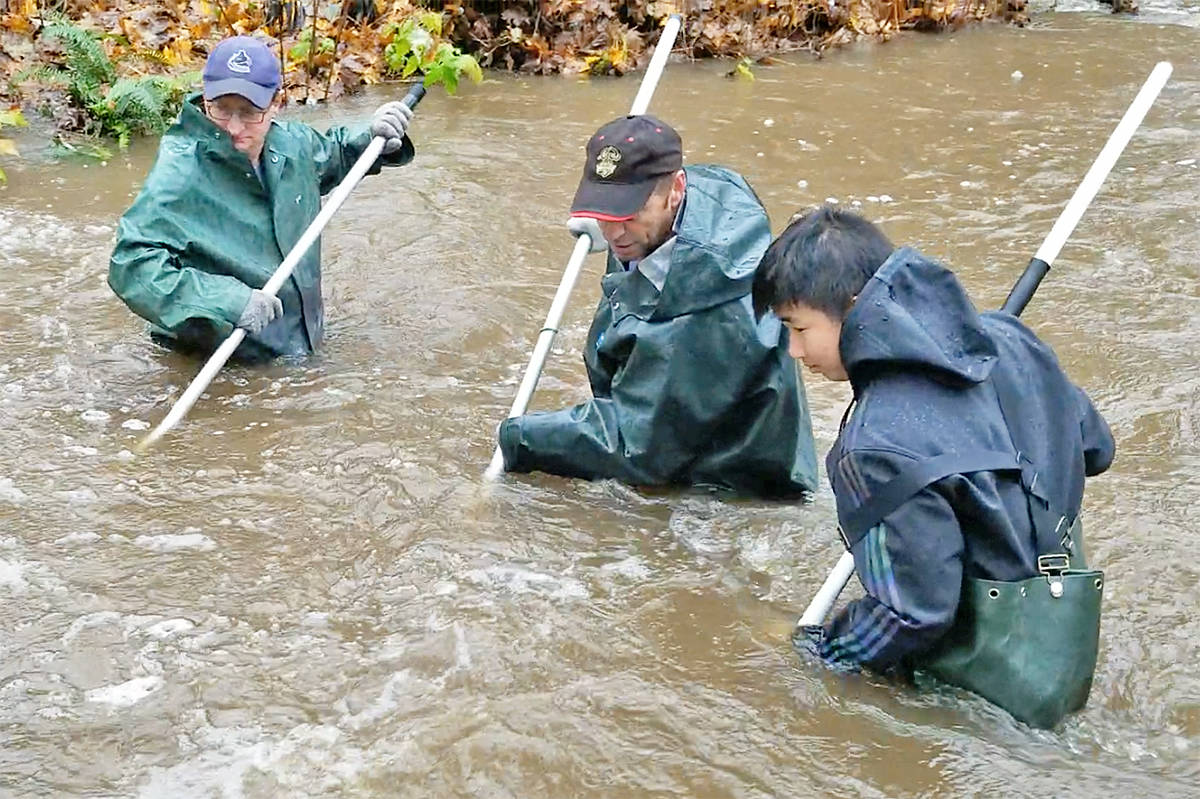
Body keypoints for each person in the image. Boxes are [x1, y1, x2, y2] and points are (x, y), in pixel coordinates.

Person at [752, 206, 1115, 721]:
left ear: (854, 306)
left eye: (798, 327)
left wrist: (819, 651)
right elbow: (1097, 448)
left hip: (985, 683)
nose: (793, 350)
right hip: (1065, 628)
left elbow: (911, 614)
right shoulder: (1008, 342)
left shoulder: (871, 446)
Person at [496, 114, 818, 497]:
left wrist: (518, 438)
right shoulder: (676, 214)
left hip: (735, 490)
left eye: (628, 214)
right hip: (688, 434)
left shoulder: (709, 310)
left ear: (676, 189)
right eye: (603, 210)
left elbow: (641, 448)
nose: (612, 231)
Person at [109, 35, 416, 361]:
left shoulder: (294, 145)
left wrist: (372, 138)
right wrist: (227, 300)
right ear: (205, 99)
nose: (234, 128)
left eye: (250, 111)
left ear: (276, 103)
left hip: (299, 343)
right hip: (222, 360)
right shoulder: (180, 172)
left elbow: (335, 154)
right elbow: (131, 265)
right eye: (221, 110)